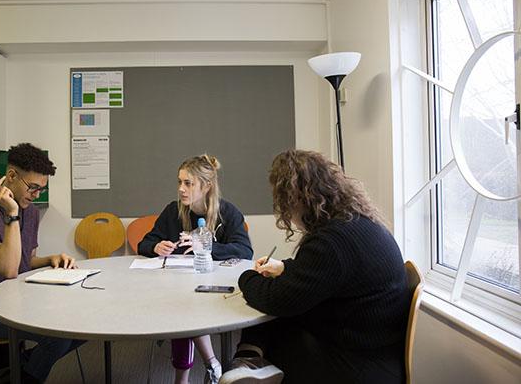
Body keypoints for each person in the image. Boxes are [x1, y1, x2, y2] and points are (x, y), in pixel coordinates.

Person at [219, 150, 410, 384]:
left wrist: (247, 277)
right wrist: (284, 268)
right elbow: (321, 274)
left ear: (296, 198)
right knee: (280, 301)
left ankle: (249, 360)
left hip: (357, 365)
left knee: (274, 310)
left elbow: (277, 299)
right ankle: (248, 359)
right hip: (375, 346)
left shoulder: (331, 242)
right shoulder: (357, 222)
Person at [0, 143, 83, 384]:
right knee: (58, 337)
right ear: (11, 176)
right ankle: (23, 377)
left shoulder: (31, 211)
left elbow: (25, 261)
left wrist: (50, 259)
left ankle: (17, 372)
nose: (36, 195)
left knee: (85, 323)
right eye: (33, 187)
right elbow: (9, 269)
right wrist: (11, 213)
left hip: (23, 301)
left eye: (41, 190)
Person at [138, 154, 253, 384]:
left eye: (188, 183)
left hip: (215, 287)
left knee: (185, 312)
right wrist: (156, 246)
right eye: (179, 182)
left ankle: (196, 372)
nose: (181, 189)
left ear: (207, 186)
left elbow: (244, 251)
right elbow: (145, 243)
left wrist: (207, 248)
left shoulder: (227, 213)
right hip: (179, 287)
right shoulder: (173, 211)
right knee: (183, 309)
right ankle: (210, 365)